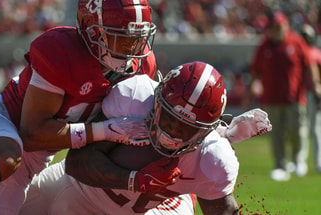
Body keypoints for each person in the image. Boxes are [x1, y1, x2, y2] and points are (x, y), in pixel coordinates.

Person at [0, 1, 180, 214]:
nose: (131, 49)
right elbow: (32, 132)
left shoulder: (142, 64)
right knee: (6, 157)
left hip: (34, 160)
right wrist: (105, 130)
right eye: (120, 37)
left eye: (136, 38)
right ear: (91, 30)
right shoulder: (63, 51)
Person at [18, 61, 272, 215]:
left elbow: (222, 210)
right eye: (168, 118)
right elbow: (76, 163)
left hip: (159, 208)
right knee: (7, 207)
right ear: (156, 99)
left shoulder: (212, 158)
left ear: (205, 131)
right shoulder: (133, 99)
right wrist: (134, 180)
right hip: (79, 191)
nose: (171, 133)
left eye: (185, 128)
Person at [249, 11, 320, 181]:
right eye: (273, 27)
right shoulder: (264, 46)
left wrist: (315, 84)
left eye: (279, 27)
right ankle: (280, 165)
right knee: (276, 133)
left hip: (294, 97)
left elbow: (309, 64)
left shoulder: (296, 42)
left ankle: (297, 160)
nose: (276, 30)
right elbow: (255, 69)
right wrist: (255, 83)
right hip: (272, 98)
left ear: (286, 26)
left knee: (296, 129)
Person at [300, 24, 321, 173]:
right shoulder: (297, 52)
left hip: (315, 94)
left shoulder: (316, 53)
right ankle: (300, 162)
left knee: (316, 129)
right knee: (302, 129)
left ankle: (318, 161)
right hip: (300, 94)